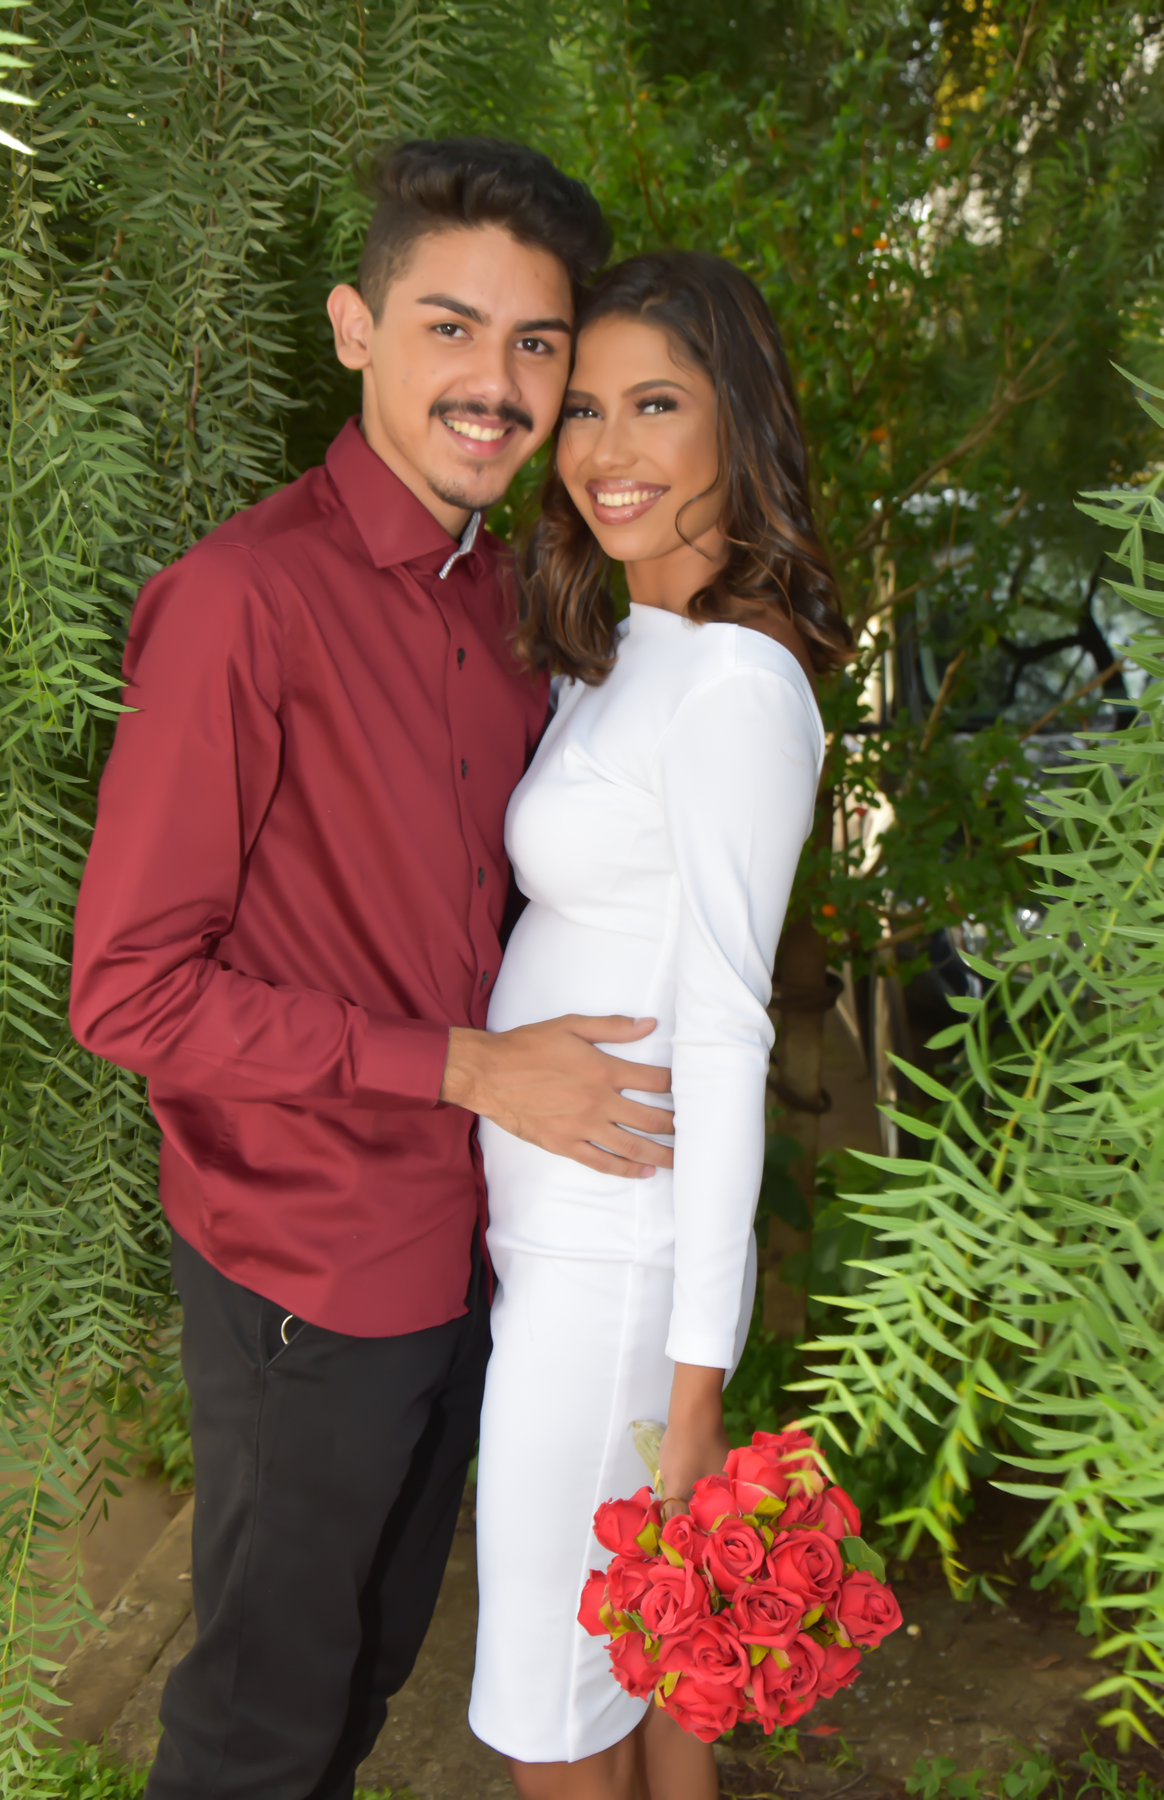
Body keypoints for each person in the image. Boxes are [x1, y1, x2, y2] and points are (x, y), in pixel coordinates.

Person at [69, 139, 679, 1800]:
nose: (497, 382)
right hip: (306, 1264)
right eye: (448, 328)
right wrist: (470, 1069)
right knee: (258, 1735)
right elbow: (128, 991)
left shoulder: (515, 602)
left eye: (536, 343)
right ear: (354, 327)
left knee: (362, 1686)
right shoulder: (238, 604)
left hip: (472, 1247)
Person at [467, 251, 855, 1800]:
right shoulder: (634, 648)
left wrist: (696, 1394)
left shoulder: (736, 684)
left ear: (734, 426)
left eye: (656, 406)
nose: (606, 449)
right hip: (561, 1244)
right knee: (640, 1666)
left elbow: (721, 1037)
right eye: (584, 409)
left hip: (614, 1266)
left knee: (547, 1712)